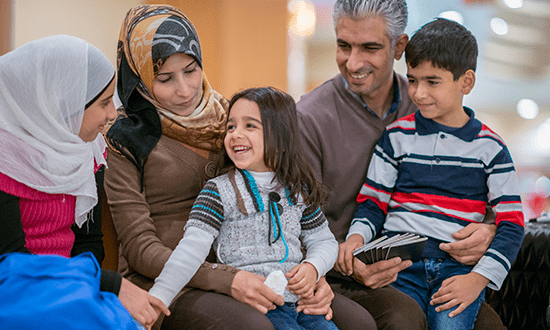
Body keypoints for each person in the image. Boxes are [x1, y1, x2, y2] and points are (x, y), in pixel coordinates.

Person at [104, 4, 375, 330]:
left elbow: (292, 221)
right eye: (164, 78)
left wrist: (311, 274)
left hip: (260, 273)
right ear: (141, 80)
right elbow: (140, 250)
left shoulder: (232, 121)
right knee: (256, 326)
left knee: (358, 322)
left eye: (191, 70)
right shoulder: (125, 139)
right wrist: (228, 279)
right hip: (171, 280)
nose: (185, 89)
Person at [297, 0, 507, 329]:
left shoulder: (429, 101)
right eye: (343, 46)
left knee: (490, 325)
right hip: (337, 272)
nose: (353, 62)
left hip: (433, 264)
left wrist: (487, 230)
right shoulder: (308, 118)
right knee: (403, 317)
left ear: (399, 46)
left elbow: (481, 188)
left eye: (369, 47)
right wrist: (347, 262)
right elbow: (290, 223)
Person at [0, 34, 169, 330]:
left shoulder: (87, 150)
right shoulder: (6, 157)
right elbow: (12, 261)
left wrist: (95, 287)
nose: (112, 115)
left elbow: (88, 242)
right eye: (104, 103)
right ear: (65, 104)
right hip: (18, 288)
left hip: (74, 283)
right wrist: (107, 284)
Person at [149, 87, 340, 330]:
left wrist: (314, 267)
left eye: (250, 126)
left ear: (281, 137)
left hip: (302, 302)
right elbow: (189, 251)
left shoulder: (297, 189)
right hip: (257, 304)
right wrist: (157, 299)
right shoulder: (218, 191)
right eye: (231, 126)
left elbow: (324, 241)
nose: (235, 134)